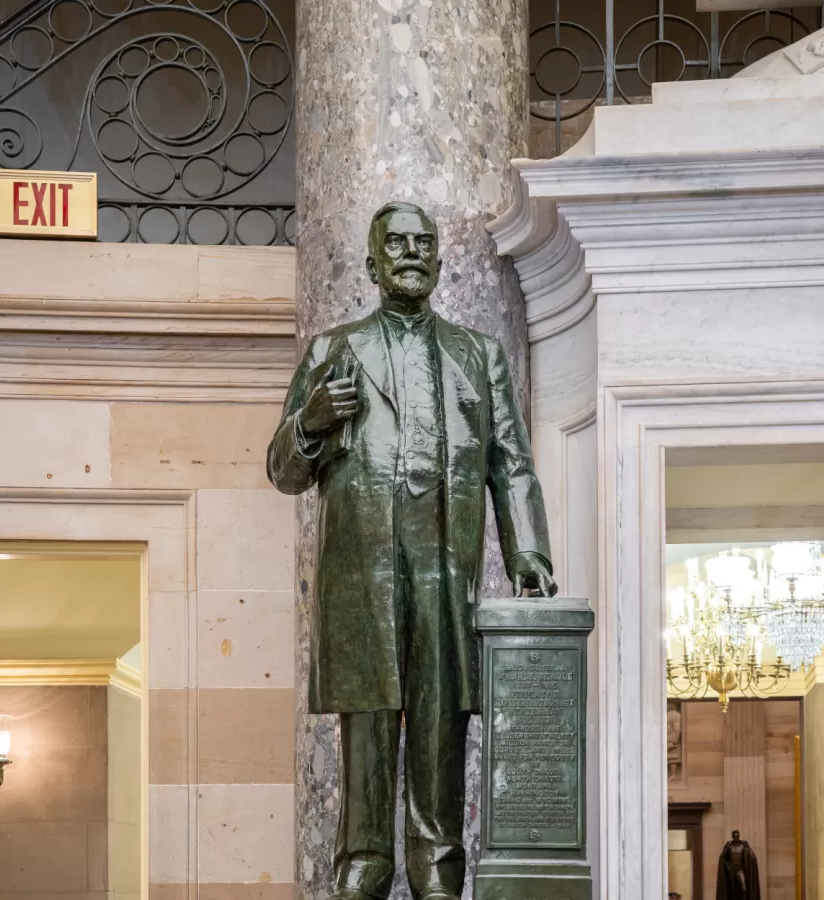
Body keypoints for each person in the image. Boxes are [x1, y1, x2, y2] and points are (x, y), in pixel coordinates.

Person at [267, 201, 556, 900]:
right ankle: (360, 873)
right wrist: (308, 423)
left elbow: (510, 463)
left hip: (443, 581)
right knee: (365, 746)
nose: (410, 252)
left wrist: (529, 554)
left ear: (438, 260)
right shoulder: (333, 349)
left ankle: (437, 878)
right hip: (362, 583)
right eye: (395, 243)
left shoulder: (477, 354)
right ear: (371, 263)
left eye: (423, 243)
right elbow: (283, 471)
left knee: (440, 744)